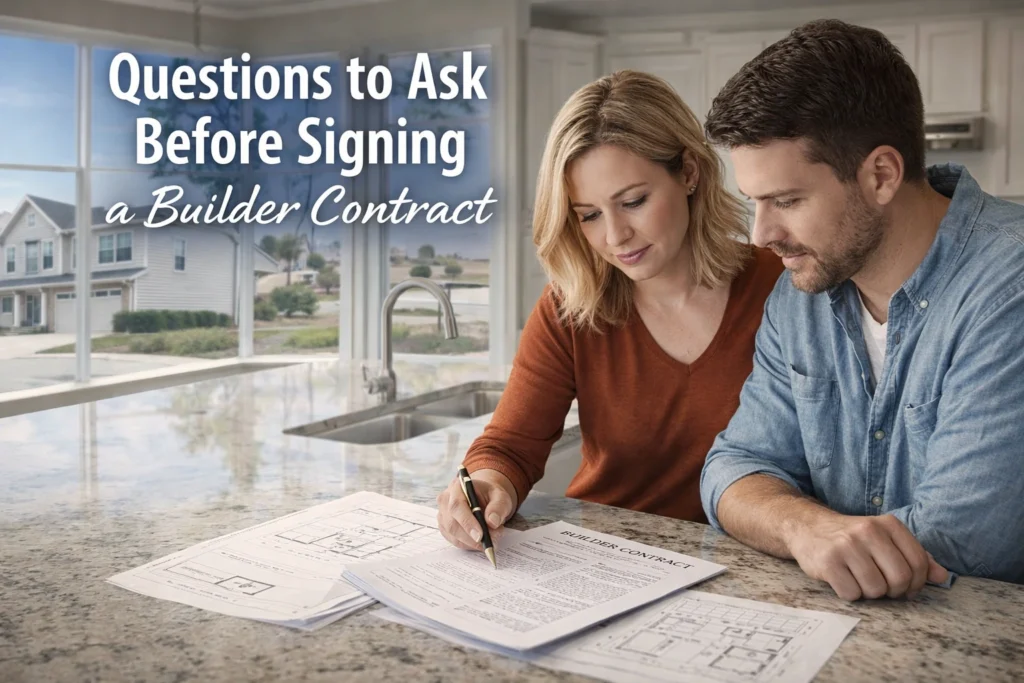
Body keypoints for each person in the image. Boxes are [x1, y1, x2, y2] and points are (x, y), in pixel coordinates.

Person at [699, 18, 1024, 601]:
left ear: (881, 175)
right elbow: (731, 470)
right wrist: (807, 526)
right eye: (755, 203)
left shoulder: (1008, 289)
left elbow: (965, 543)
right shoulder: (800, 295)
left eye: (787, 200)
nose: (761, 235)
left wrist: (794, 522)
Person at [435, 70, 784, 551]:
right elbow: (511, 444)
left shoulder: (780, 287)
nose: (616, 237)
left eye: (634, 201)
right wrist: (488, 483)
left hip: (747, 563)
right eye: (589, 215)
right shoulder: (571, 305)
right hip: (603, 558)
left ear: (688, 172)